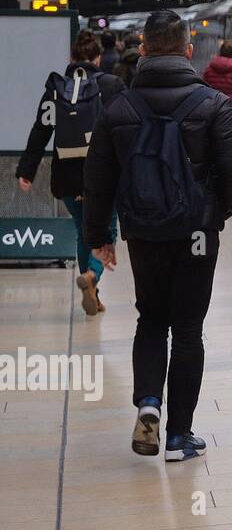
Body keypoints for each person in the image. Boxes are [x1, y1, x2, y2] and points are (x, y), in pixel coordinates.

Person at [82, 10, 232, 462]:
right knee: (189, 329)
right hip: (196, 231)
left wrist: (99, 236)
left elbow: (97, 179)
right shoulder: (215, 104)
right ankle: (179, 437)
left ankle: (148, 403)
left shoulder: (118, 108)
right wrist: (215, 215)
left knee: (151, 319)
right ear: (189, 51)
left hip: (144, 232)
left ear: (143, 49)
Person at [16, 29, 125, 317]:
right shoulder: (112, 85)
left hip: (67, 173)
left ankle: (94, 294)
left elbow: (41, 129)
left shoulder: (56, 89)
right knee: (106, 230)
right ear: (98, 59)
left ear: (71, 59)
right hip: (102, 173)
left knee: (83, 231)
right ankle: (92, 276)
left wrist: (27, 170)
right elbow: (126, 131)